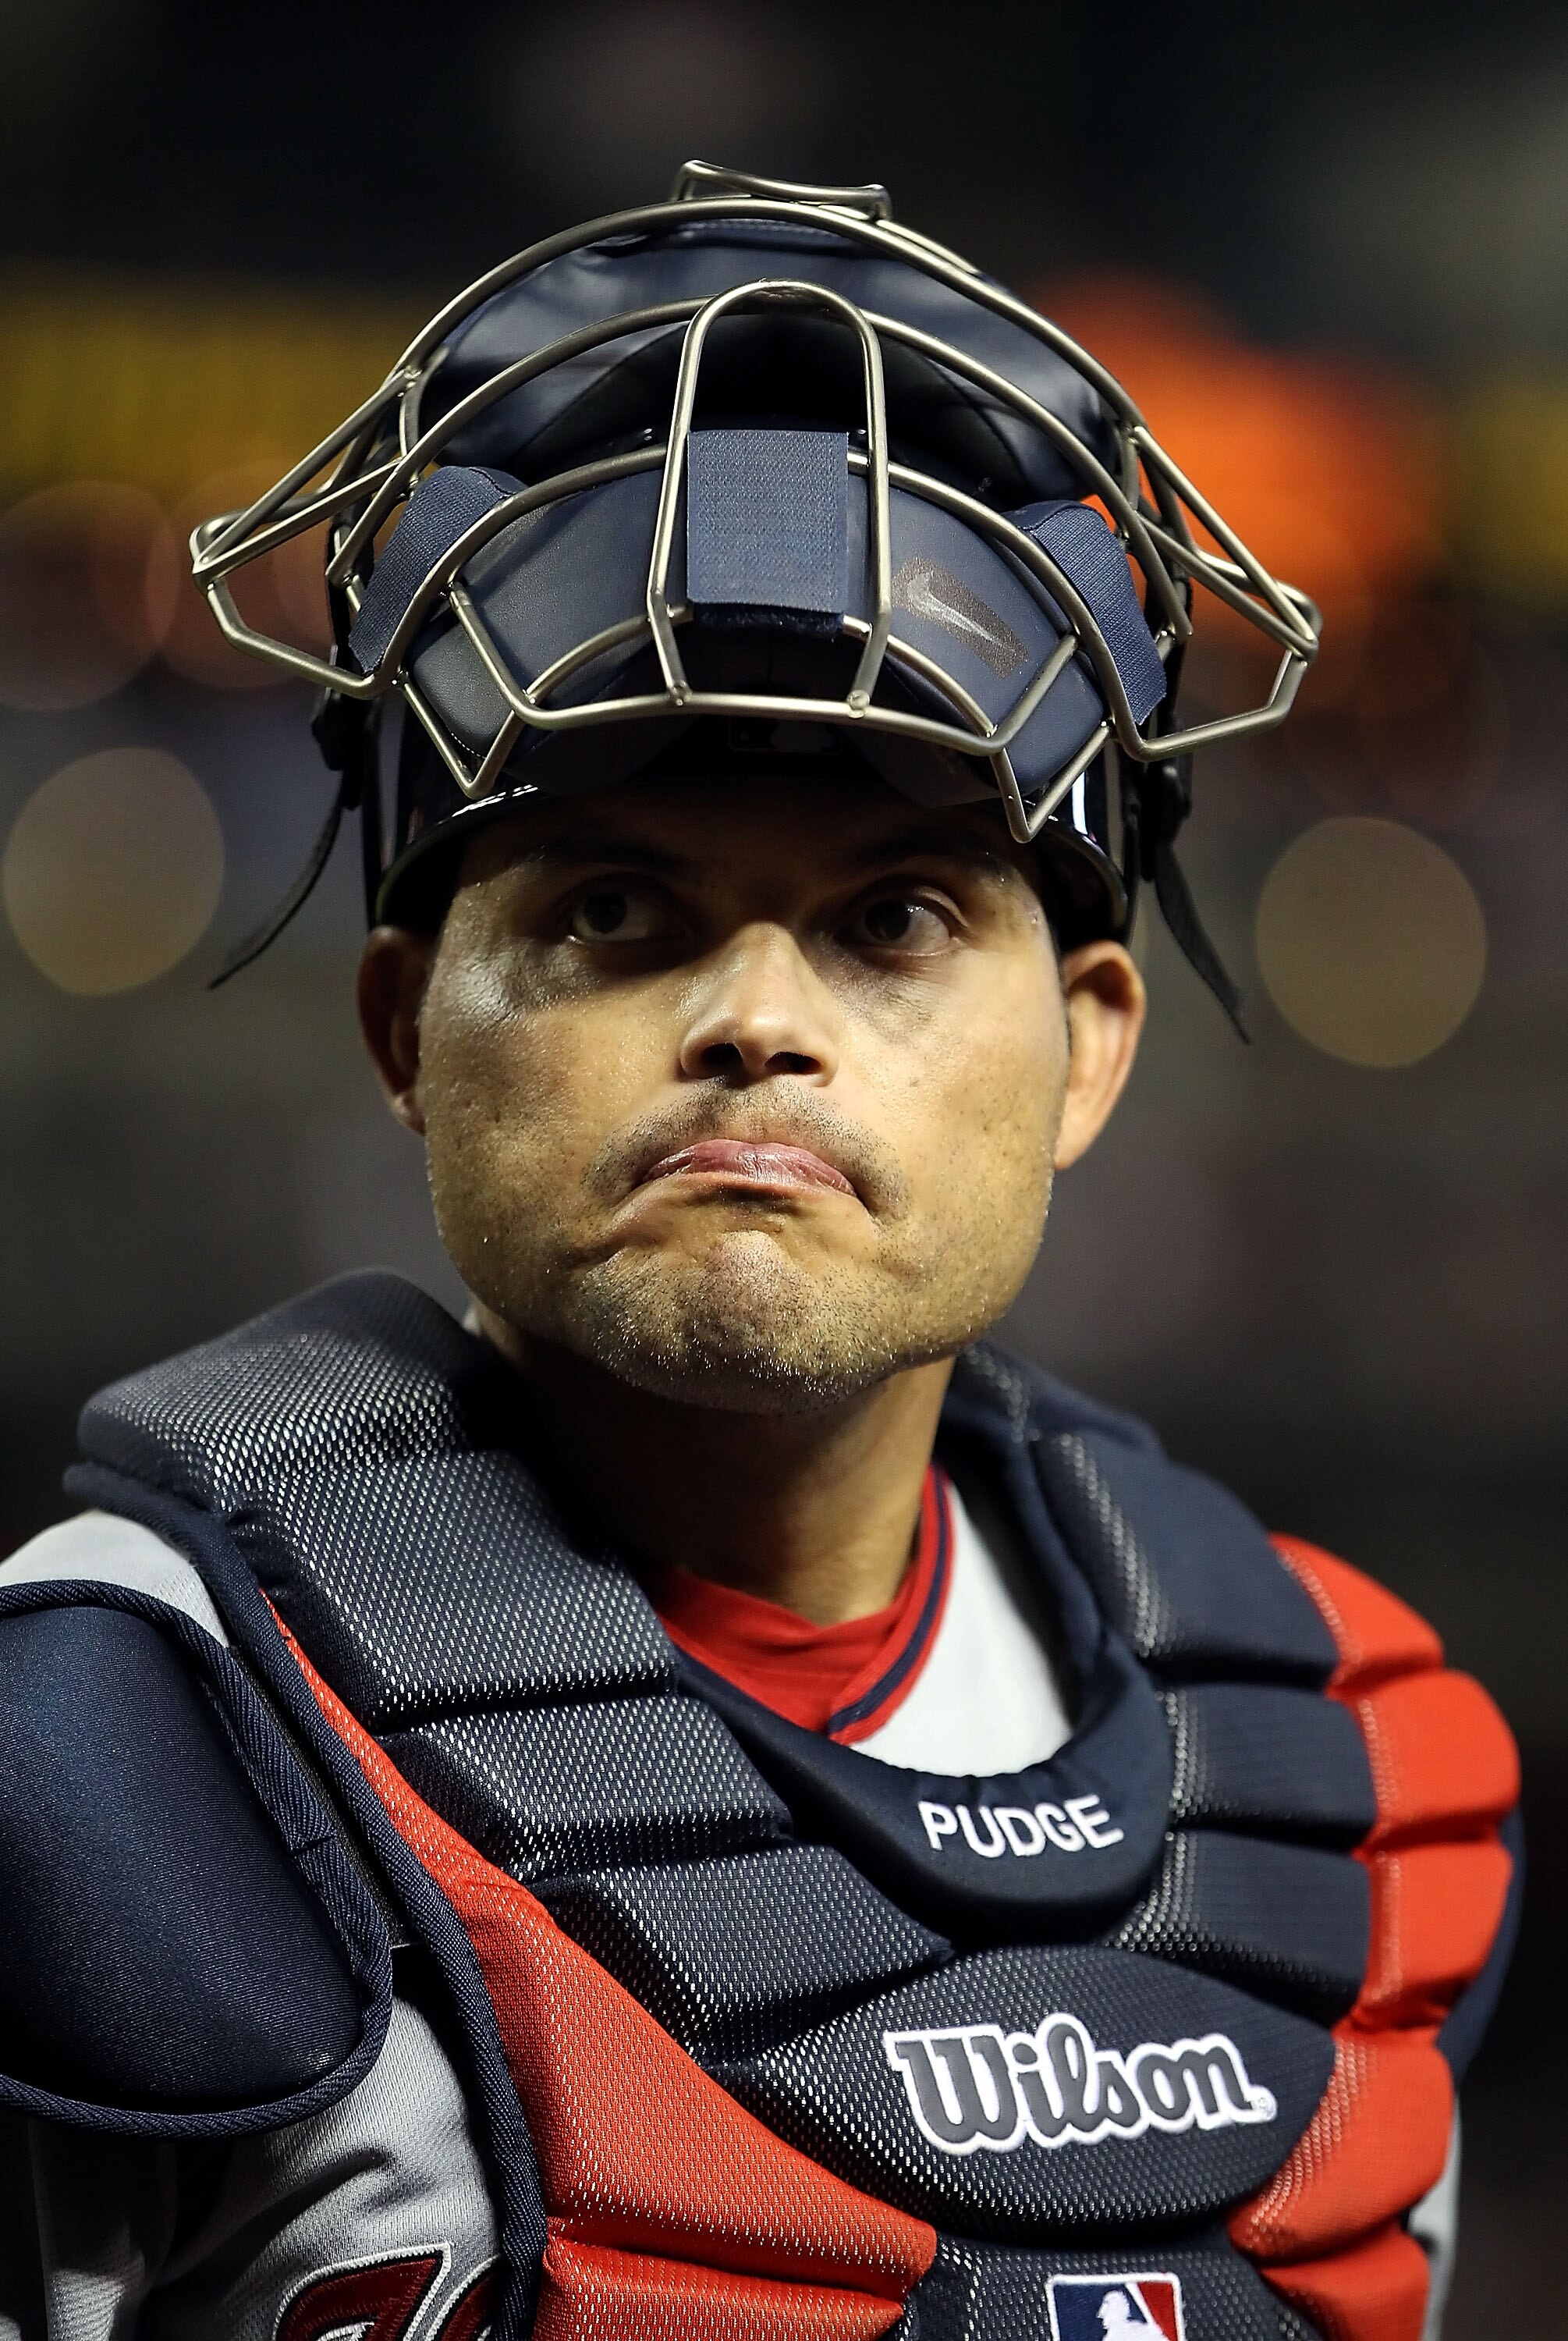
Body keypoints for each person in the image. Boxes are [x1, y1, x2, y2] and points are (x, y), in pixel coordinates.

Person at [0, 165, 1518, 2341]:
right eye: (610, 909)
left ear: (1088, 1052)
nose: (756, 1016)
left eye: (897, 917)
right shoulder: (100, 1767)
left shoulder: (1362, 1789)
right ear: (405, 1033)